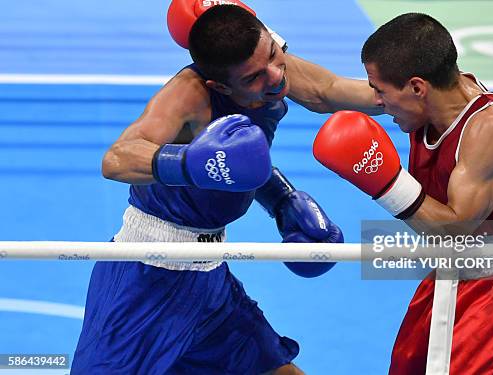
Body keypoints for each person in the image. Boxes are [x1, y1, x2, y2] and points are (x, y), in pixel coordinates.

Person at [71, 2, 350, 374]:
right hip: (147, 277)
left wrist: (282, 199)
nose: (275, 75)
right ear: (222, 82)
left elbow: (239, 162)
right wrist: (187, 163)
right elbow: (117, 159)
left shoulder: (262, 78)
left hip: (209, 276)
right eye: (253, 76)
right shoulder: (189, 93)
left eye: (274, 54)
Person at [312, 13, 493, 375]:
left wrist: (387, 183)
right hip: (453, 271)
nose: (376, 101)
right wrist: (267, 51)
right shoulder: (427, 101)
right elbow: (325, 90)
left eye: (379, 90)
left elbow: (454, 230)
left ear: (417, 87)